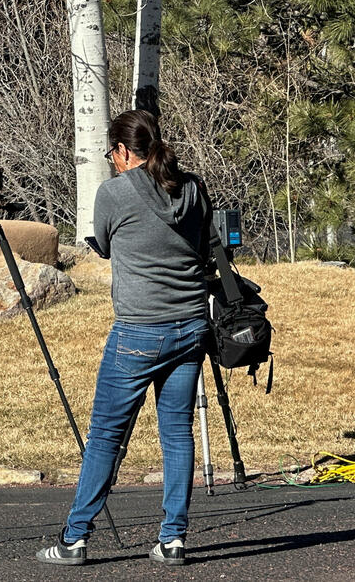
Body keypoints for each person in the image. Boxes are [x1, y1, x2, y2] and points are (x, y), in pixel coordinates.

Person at [37, 109, 211, 567]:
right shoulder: (193, 188)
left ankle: (75, 538)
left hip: (139, 329)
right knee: (177, 434)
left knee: (105, 437)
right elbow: (203, 244)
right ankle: (173, 539)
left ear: (121, 151)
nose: (111, 162)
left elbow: (106, 245)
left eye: (111, 154)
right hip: (191, 326)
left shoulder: (113, 193)